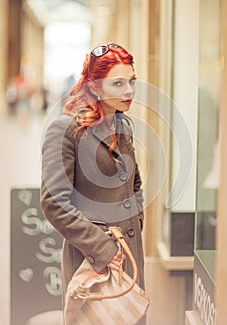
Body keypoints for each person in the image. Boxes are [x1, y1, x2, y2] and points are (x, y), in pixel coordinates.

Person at [40, 43, 145, 323]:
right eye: (118, 83)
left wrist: (135, 224)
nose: (129, 91)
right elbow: (54, 202)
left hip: (129, 255)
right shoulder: (65, 128)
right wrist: (104, 248)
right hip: (93, 259)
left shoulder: (122, 124)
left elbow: (134, 185)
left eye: (132, 81)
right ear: (96, 87)